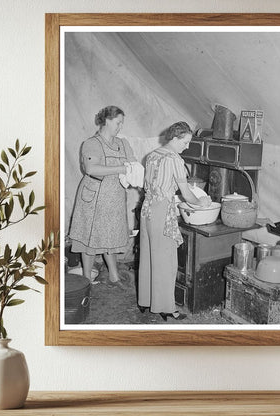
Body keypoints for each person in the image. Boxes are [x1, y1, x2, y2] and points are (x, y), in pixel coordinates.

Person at [138, 121, 211, 321]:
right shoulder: (174, 159)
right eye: (185, 142)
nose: (187, 146)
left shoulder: (152, 155)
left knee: (148, 256)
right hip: (162, 212)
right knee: (166, 261)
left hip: (147, 209)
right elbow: (187, 194)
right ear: (175, 138)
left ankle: (146, 300)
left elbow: (152, 186)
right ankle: (165, 307)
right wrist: (202, 203)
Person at [69, 105, 136, 288]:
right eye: (117, 122)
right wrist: (122, 169)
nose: (120, 127)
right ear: (106, 121)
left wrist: (135, 172)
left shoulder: (122, 143)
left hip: (114, 196)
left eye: (122, 123)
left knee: (111, 236)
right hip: (94, 196)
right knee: (90, 239)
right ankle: (86, 280)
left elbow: (133, 164)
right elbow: (91, 169)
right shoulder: (91, 143)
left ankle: (113, 276)